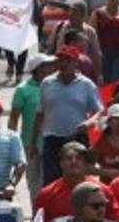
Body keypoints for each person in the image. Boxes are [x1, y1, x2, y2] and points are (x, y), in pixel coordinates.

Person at [33, 46, 103, 185]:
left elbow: (100, 111)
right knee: (52, 182)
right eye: (60, 60)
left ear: (76, 62)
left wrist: (90, 122)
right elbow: (40, 113)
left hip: (77, 139)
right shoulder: (47, 83)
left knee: (79, 181)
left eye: (67, 60)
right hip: (52, 140)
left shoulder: (86, 84)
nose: (63, 64)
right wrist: (33, 142)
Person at [9, 54, 55, 196]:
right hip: (30, 144)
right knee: (34, 183)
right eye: (48, 65)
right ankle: (37, 213)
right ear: (39, 69)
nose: (52, 67)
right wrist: (12, 142)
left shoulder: (54, 84)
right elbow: (14, 118)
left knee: (51, 182)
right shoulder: (23, 89)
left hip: (52, 142)